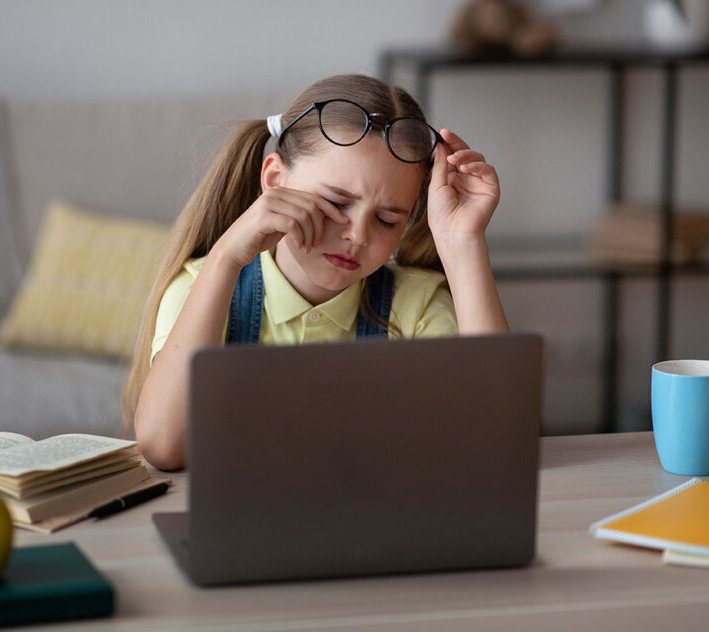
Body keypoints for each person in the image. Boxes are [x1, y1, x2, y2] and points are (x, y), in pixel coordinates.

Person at [123, 74, 508, 471]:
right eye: (336, 203)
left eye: (388, 220)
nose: (357, 235)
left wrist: (463, 243)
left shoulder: (416, 304)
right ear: (275, 180)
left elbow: (497, 441)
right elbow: (164, 447)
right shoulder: (203, 286)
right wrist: (224, 258)